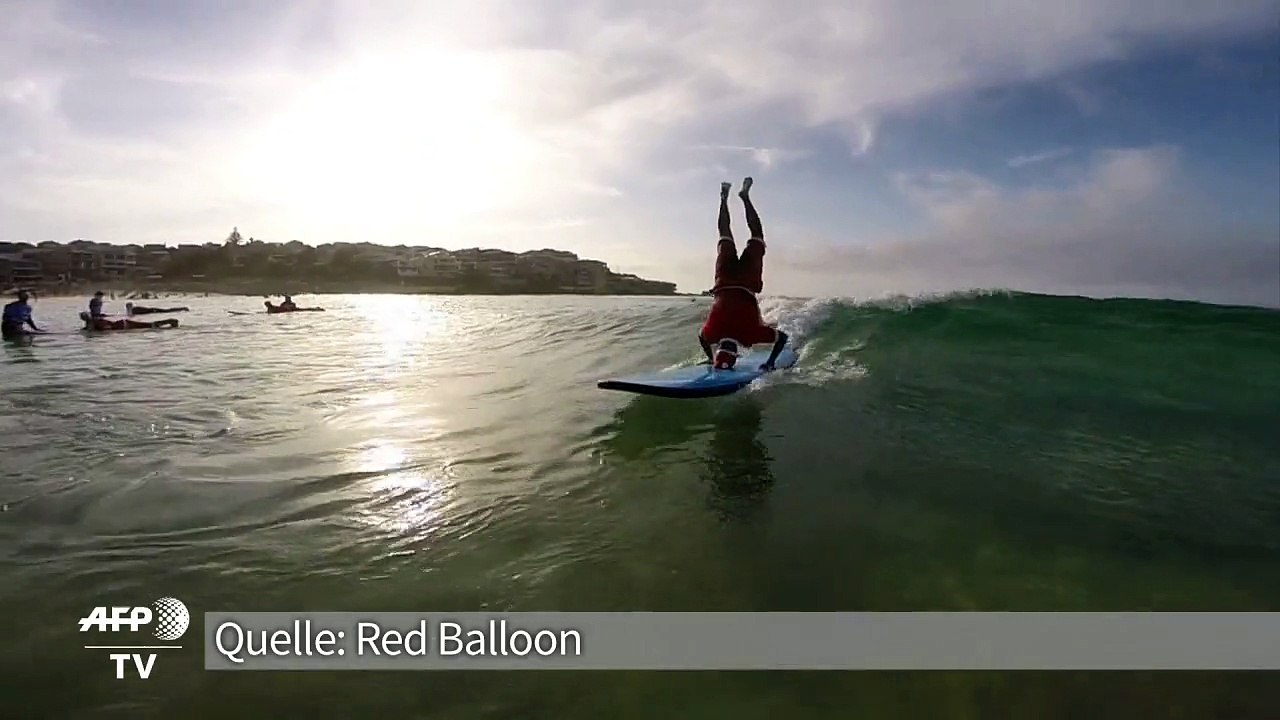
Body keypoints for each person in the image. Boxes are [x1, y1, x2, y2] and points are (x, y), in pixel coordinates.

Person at [698, 177, 788, 371]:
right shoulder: (711, 333)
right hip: (723, 281)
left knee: (757, 234)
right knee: (724, 233)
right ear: (719, 345)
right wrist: (709, 356)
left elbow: (783, 338)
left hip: (747, 282)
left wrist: (770, 362)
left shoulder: (751, 335)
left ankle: (744, 197)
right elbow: (702, 337)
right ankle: (724, 197)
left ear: (737, 354)